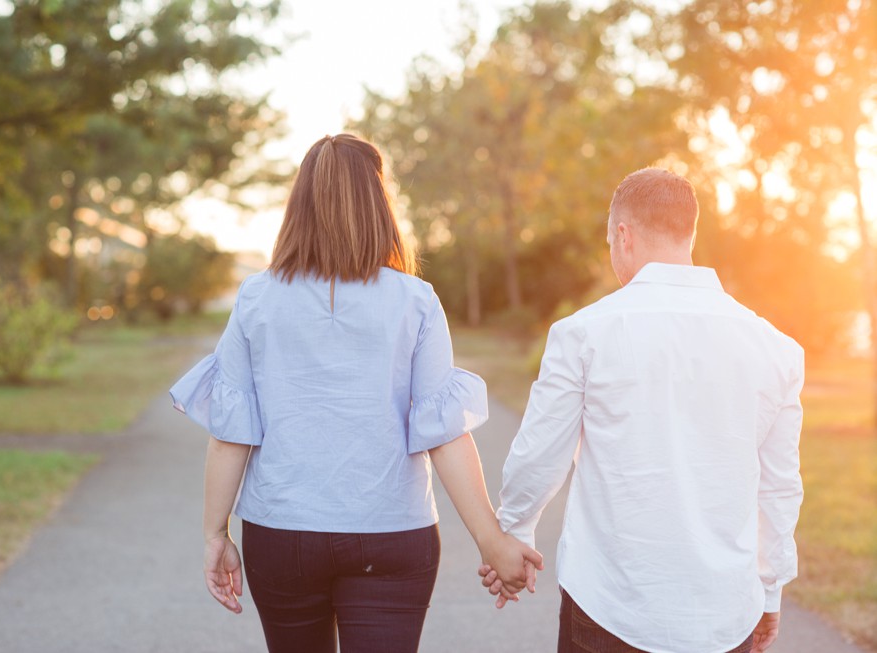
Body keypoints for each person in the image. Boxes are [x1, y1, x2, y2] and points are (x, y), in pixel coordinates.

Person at [170, 133, 541, 653]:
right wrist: (492, 540)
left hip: (282, 533)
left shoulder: (257, 297)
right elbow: (444, 434)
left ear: (299, 205)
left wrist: (216, 534)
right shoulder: (415, 300)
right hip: (392, 533)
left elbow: (231, 433)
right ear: (379, 205)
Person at [480, 167, 804, 653]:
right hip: (724, 615)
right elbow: (779, 487)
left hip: (611, 605)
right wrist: (770, 589)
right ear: (688, 234)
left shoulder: (584, 334)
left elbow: (539, 454)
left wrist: (514, 534)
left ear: (623, 236)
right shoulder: (776, 349)